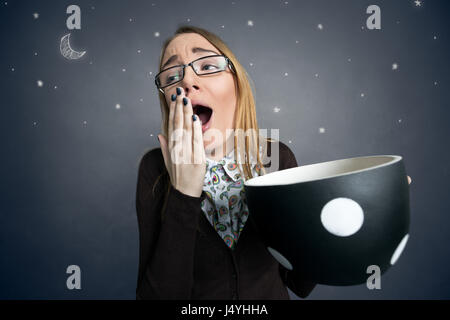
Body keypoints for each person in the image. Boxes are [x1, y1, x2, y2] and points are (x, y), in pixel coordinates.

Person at [135, 25, 316, 300]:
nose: (187, 81)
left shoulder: (276, 158)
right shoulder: (154, 169)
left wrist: (331, 221)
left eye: (207, 66)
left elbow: (301, 283)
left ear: (237, 84)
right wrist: (183, 193)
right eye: (172, 75)